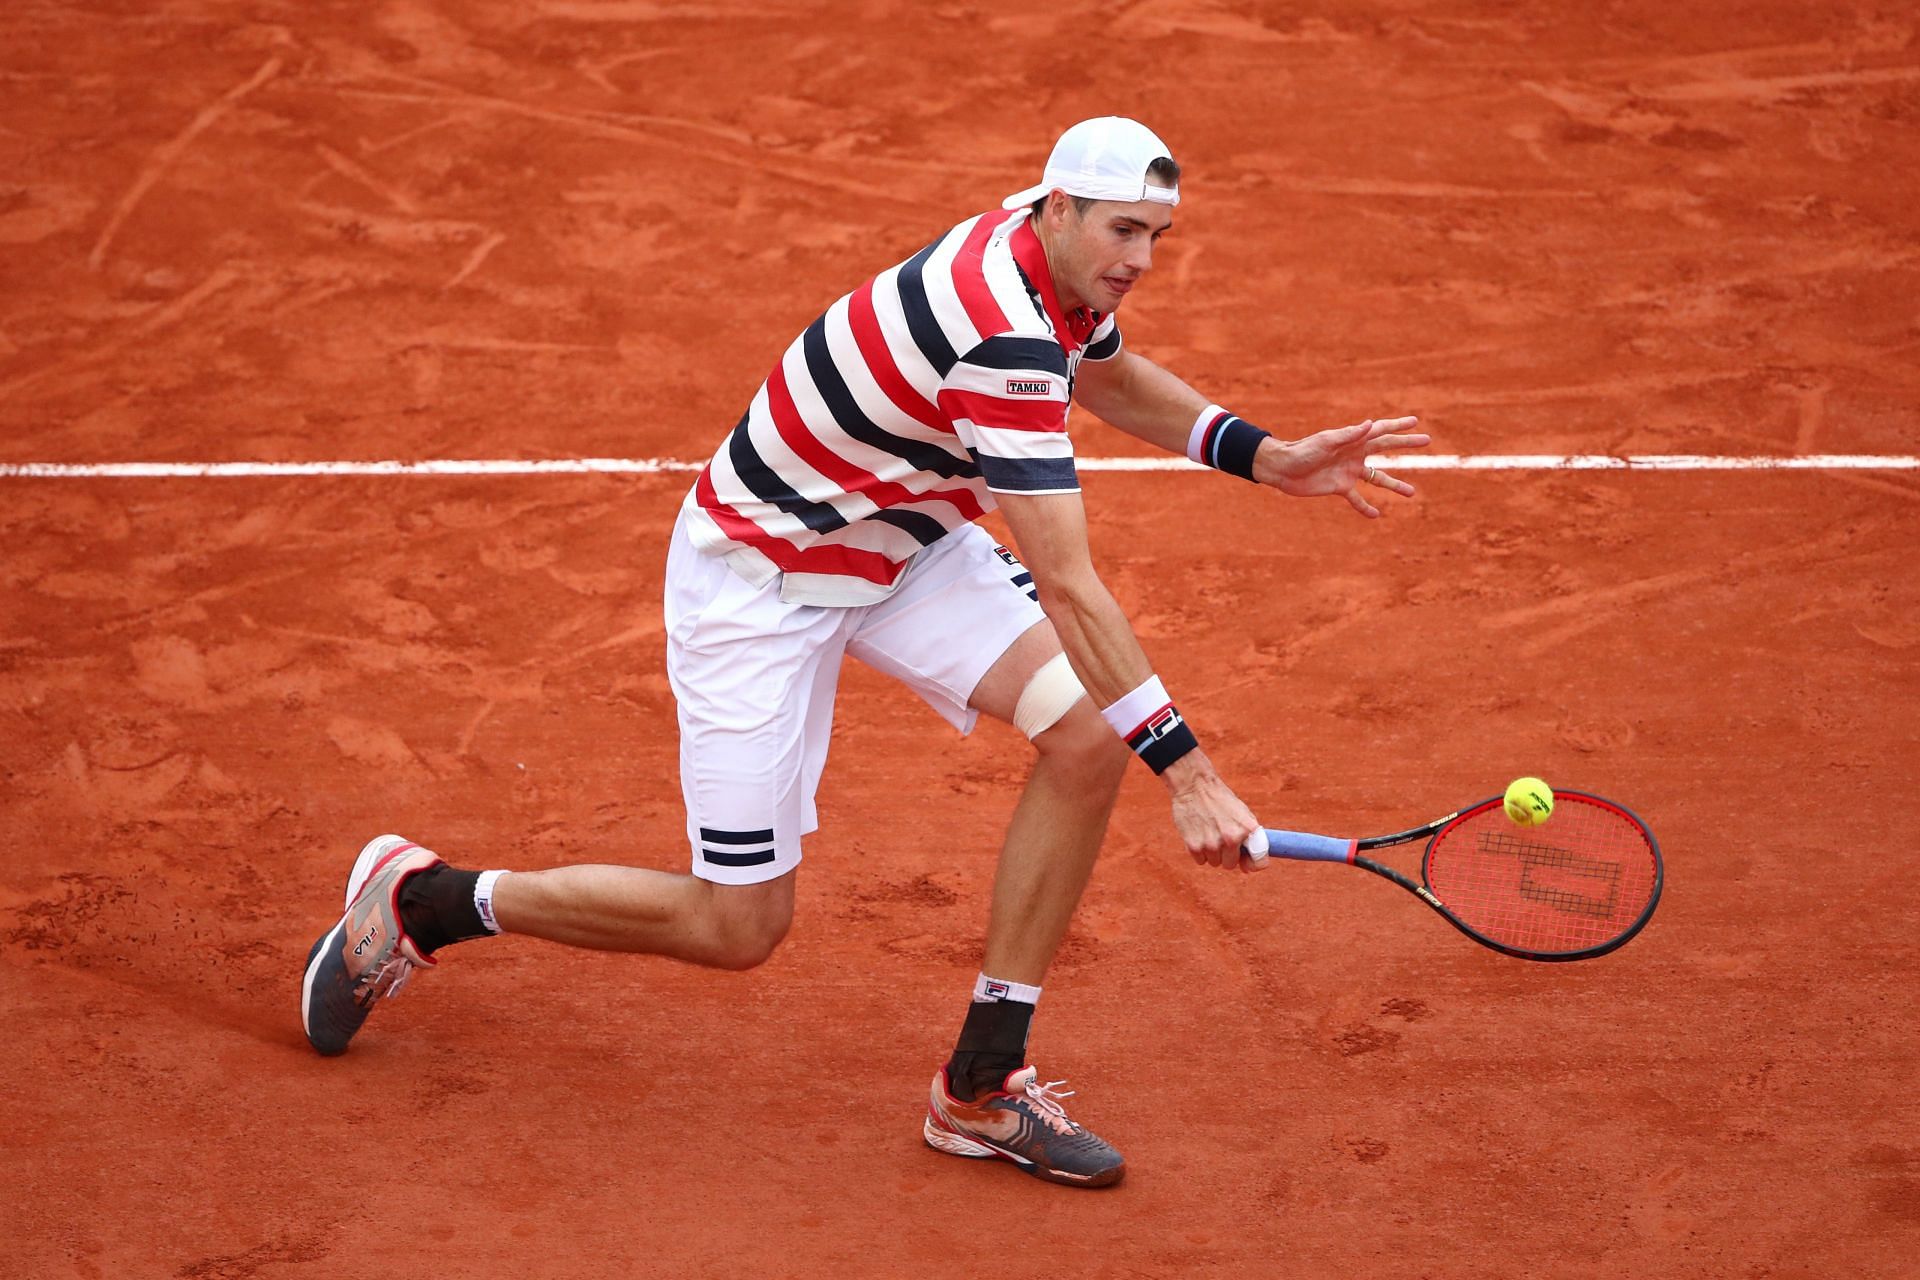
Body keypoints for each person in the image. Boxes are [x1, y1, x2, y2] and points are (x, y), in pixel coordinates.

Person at [300, 116, 1426, 1188]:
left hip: (904, 546)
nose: (1140, 258)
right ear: (1057, 206)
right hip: (763, 578)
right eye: (1123, 231)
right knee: (739, 925)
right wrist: (1189, 771)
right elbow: (1074, 584)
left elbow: (1113, 375)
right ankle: (429, 900)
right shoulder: (1000, 335)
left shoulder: (1047, 267)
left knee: (1086, 736)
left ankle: (981, 1084)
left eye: (1156, 236)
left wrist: (1266, 457)